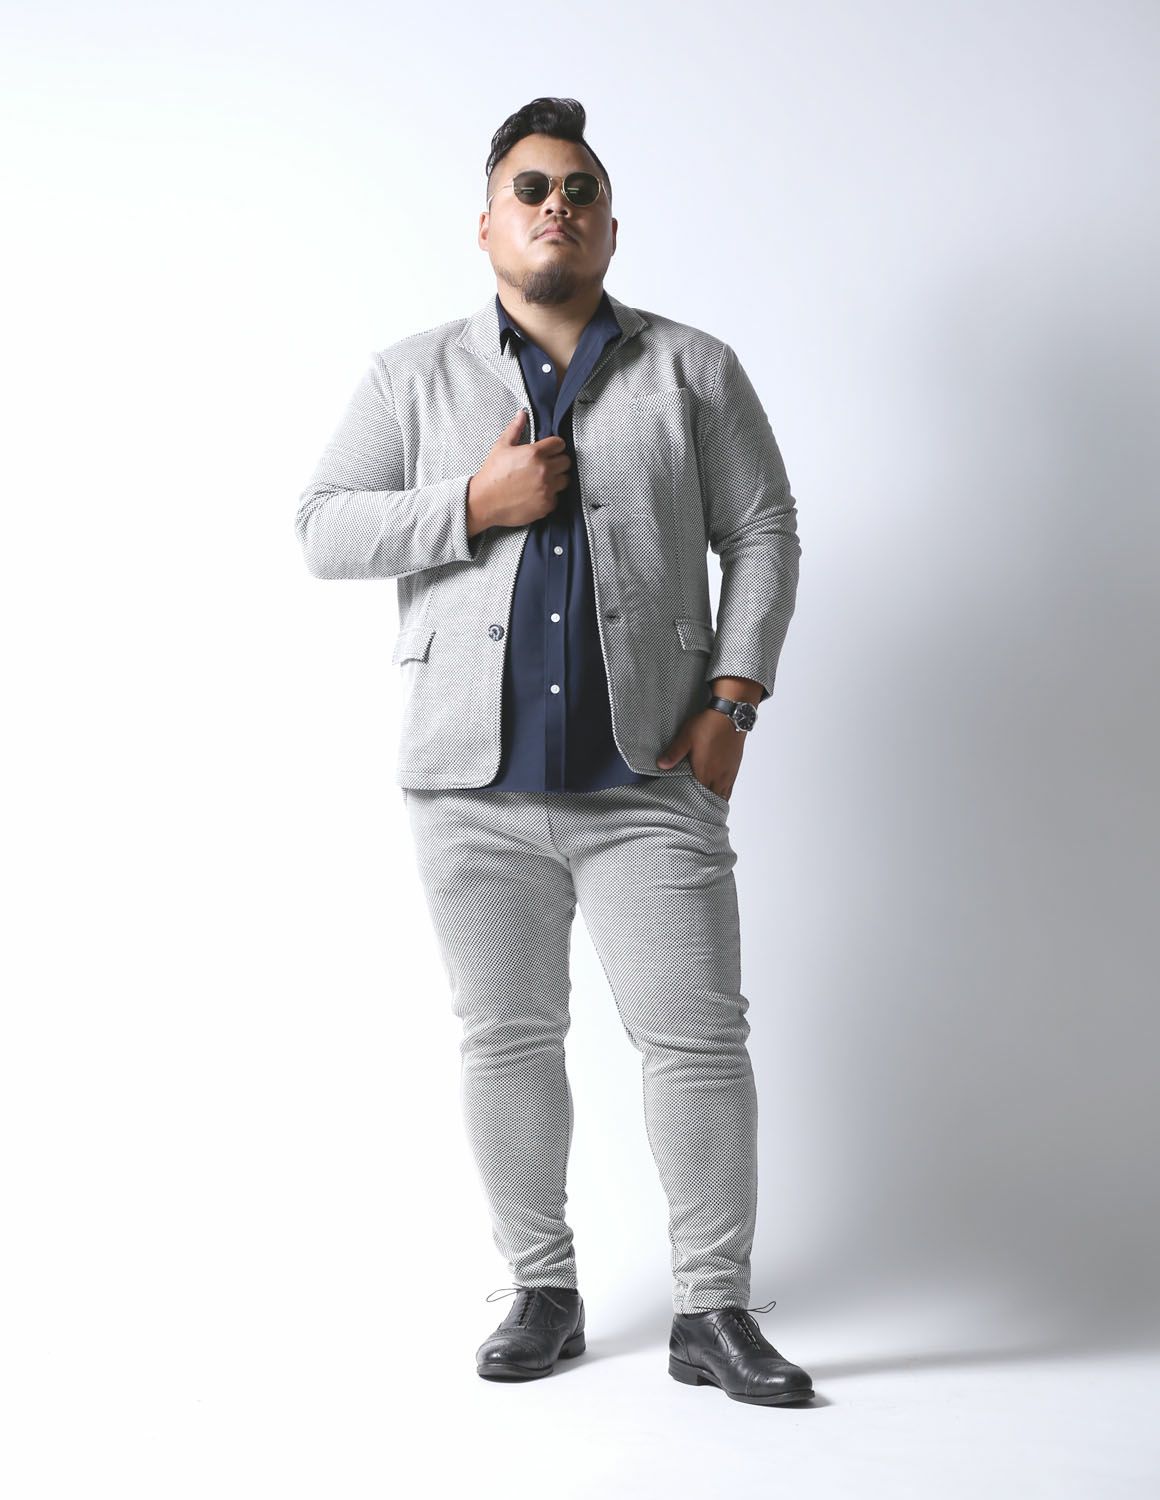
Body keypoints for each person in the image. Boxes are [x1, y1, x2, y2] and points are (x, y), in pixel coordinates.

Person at [295, 96, 813, 1407]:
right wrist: (473, 502)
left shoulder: (693, 368)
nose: (556, 207)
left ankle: (713, 1310)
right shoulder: (410, 377)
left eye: (579, 190)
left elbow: (763, 528)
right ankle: (542, 1289)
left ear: (610, 227)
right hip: (467, 784)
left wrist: (735, 698)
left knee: (697, 1041)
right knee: (508, 1039)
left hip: (651, 778)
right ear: (486, 227)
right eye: (530, 189)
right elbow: (322, 528)